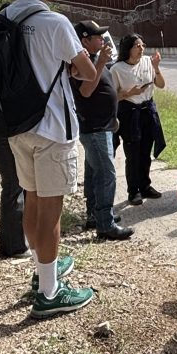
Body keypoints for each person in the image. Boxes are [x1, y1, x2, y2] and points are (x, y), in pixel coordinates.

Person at [2, 0, 97, 319]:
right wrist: (74, 69)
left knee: (33, 200)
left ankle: (42, 270)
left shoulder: (6, 16)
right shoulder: (54, 22)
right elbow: (88, 72)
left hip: (18, 127)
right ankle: (49, 291)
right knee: (52, 211)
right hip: (53, 128)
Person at [70, 20, 133, 241]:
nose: (102, 39)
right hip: (94, 127)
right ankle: (105, 224)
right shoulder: (79, 62)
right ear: (84, 40)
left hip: (103, 125)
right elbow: (86, 91)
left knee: (95, 173)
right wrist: (101, 63)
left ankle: (95, 216)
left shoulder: (93, 59)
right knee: (106, 174)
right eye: (97, 36)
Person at [113, 33, 167, 205]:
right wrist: (129, 93)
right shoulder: (117, 69)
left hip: (147, 110)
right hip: (129, 112)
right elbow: (112, 96)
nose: (141, 49)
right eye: (137, 46)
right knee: (133, 153)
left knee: (145, 152)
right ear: (128, 48)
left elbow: (161, 84)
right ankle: (133, 190)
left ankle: (145, 186)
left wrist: (156, 67)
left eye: (143, 45)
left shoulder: (147, 62)